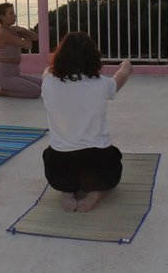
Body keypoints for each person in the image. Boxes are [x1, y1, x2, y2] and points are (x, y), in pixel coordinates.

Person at [41, 32, 133, 212]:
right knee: (115, 157)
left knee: (52, 155)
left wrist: (52, 65)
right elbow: (120, 78)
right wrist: (126, 66)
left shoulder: (48, 83)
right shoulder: (101, 85)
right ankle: (95, 193)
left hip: (58, 171)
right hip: (98, 169)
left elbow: (46, 72)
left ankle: (67, 192)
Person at [0, 2, 42, 98]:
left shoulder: (13, 30)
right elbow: (28, 45)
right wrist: (24, 35)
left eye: (14, 13)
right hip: (5, 77)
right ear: (2, 17)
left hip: (15, 74)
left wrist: (23, 30)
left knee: (43, 84)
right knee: (36, 92)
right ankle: (5, 92)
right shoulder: (3, 33)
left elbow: (36, 37)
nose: (14, 15)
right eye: (11, 14)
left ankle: (7, 90)